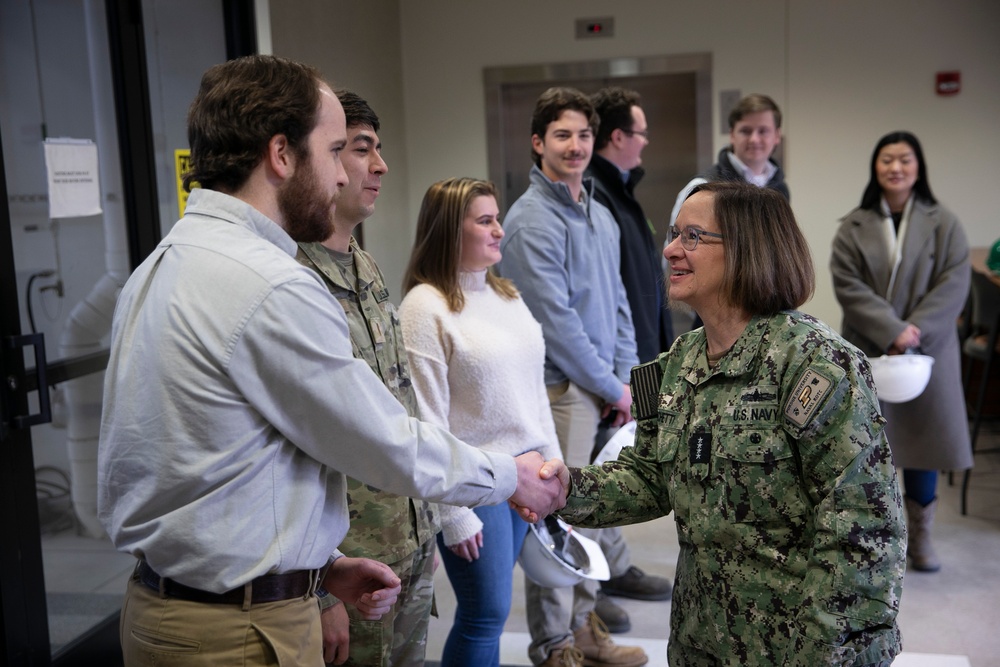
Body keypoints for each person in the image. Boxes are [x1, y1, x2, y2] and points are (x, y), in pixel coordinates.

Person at [96, 55, 565, 667]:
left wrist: (320, 567)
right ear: (282, 155)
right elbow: (383, 442)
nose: (344, 177)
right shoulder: (270, 284)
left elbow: (210, 467)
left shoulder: (165, 262)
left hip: (179, 608)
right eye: (336, 149)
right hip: (236, 632)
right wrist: (511, 476)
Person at [550, 181, 906, 666]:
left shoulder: (815, 363)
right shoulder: (675, 363)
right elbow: (649, 477)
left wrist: (821, 653)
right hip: (703, 640)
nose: (671, 250)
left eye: (693, 237)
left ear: (747, 251)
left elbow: (864, 530)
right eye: (674, 234)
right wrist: (563, 489)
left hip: (798, 649)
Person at [498, 86, 648, 667]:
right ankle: (554, 644)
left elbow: (618, 308)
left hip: (607, 390)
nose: (576, 145)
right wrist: (610, 386)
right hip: (563, 391)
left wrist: (627, 382)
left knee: (596, 511)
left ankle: (585, 627)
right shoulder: (530, 220)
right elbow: (556, 322)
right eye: (562, 134)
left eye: (584, 134)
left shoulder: (602, 216)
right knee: (556, 516)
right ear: (538, 143)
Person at [295, 90, 438, 666]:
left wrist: (426, 526)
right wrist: (319, 585)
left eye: (379, 150)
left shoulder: (365, 264)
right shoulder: (291, 277)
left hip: (404, 540)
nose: (379, 166)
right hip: (347, 559)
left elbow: (399, 404)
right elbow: (297, 443)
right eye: (360, 149)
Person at [397, 177, 563, 666]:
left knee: (495, 612)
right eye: (485, 220)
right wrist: (452, 513)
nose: (499, 230)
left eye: (497, 218)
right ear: (451, 231)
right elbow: (425, 420)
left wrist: (555, 467)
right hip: (474, 481)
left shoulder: (506, 296)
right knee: (484, 613)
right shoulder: (424, 307)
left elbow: (534, 392)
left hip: (527, 476)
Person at [831, 130, 972, 572]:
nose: (896, 167)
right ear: (876, 167)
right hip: (869, 345)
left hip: (928, 349)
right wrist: (892, 329)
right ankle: (871, 538)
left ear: (918, 167)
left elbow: (955, 280)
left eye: (905, 160)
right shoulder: (853, 225)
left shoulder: (943, 222)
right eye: (887, 159)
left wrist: (914, 331)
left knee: (924, 440)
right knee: (867, 445)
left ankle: (922, 538)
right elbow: (847, 284)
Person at [585, 86, 674, 632]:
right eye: (639, 132)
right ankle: (589, 589)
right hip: (605, 366)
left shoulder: (620, 192)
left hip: (632, 352)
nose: (645, 142)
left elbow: (633, 284)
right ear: (618, 137)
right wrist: (616, 375)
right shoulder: (597, 192)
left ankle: (612, 568)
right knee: (598, 471)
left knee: (610, 465)